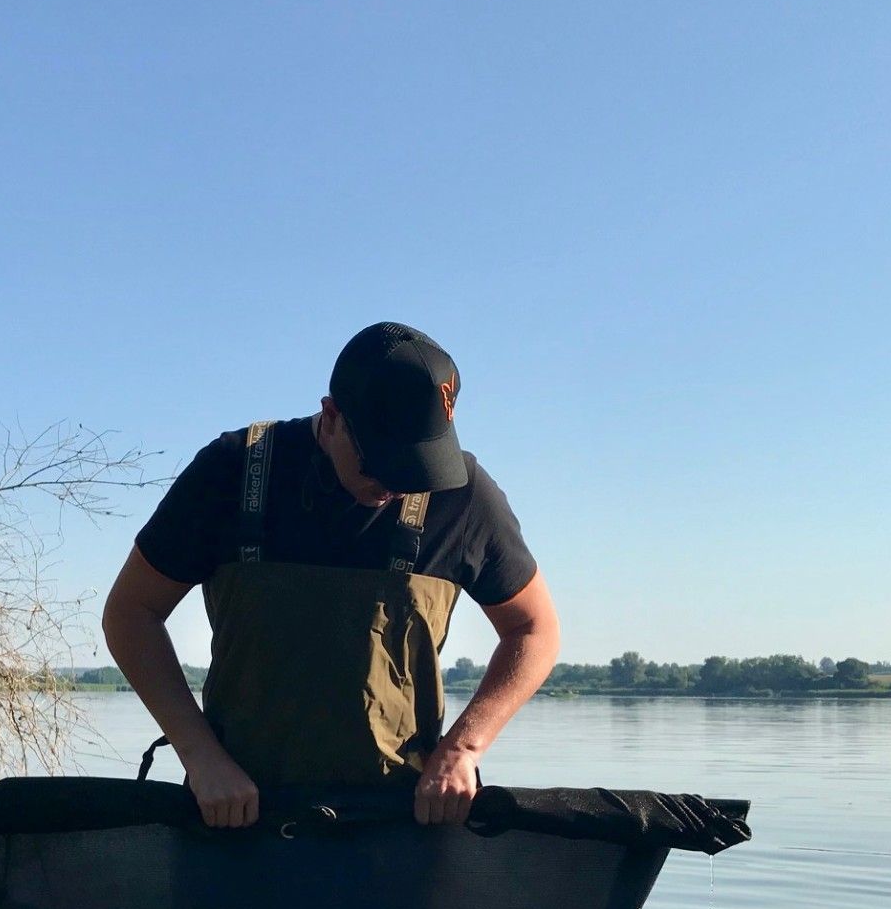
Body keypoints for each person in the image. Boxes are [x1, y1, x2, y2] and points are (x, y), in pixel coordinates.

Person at [102, 322, 560, 829]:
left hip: (399, 830)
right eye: (381, 465)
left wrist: (465, 747)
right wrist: (200, 756)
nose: (397, 485)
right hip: (237, 823)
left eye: (419, 466)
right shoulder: (230, 472)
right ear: (332, 416)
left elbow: (534, 630)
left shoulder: (464, 494)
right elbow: (131, 613)